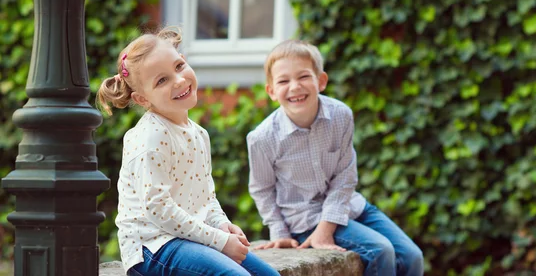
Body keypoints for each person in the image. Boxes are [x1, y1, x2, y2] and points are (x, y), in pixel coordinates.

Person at [96, 27, 279, 276]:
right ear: (142, 99)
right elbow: (159, 210)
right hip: (153, 248)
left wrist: (222, 225)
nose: (179, 80)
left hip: (188, 239)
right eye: (162, 80)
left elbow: (206, 198)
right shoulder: (150, 137)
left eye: (179, 66)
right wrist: (220, 241)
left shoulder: (198, 134)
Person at [247, 39, 424, 276]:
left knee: (413, 256)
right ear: (271, 91)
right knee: (381, 251)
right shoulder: (262, 138)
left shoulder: (340, 115)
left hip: (351, 206)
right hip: (305, 219)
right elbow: (262, 189)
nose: (295, 87)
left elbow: (345, 175)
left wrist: (327, 227)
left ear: (321, 81)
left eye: (303, 77)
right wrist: (280, 232)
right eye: (283, 81)